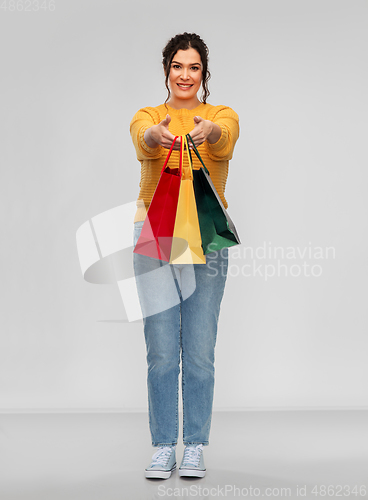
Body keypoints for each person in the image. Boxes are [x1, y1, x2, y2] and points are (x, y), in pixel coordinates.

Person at [130, 32, 239, 479]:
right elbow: (143, 139)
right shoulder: (149, 116)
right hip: (155, 229)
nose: (185, 75)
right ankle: (162, 446)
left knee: (198, 348)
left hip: (206, 234)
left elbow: (225, 139)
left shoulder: (220, 114)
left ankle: (193, 444)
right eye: (178, 66)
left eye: (194, 67)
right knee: (160, 350)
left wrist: (208, 130)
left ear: (204, 74)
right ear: (166, 71)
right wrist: (156, 136)